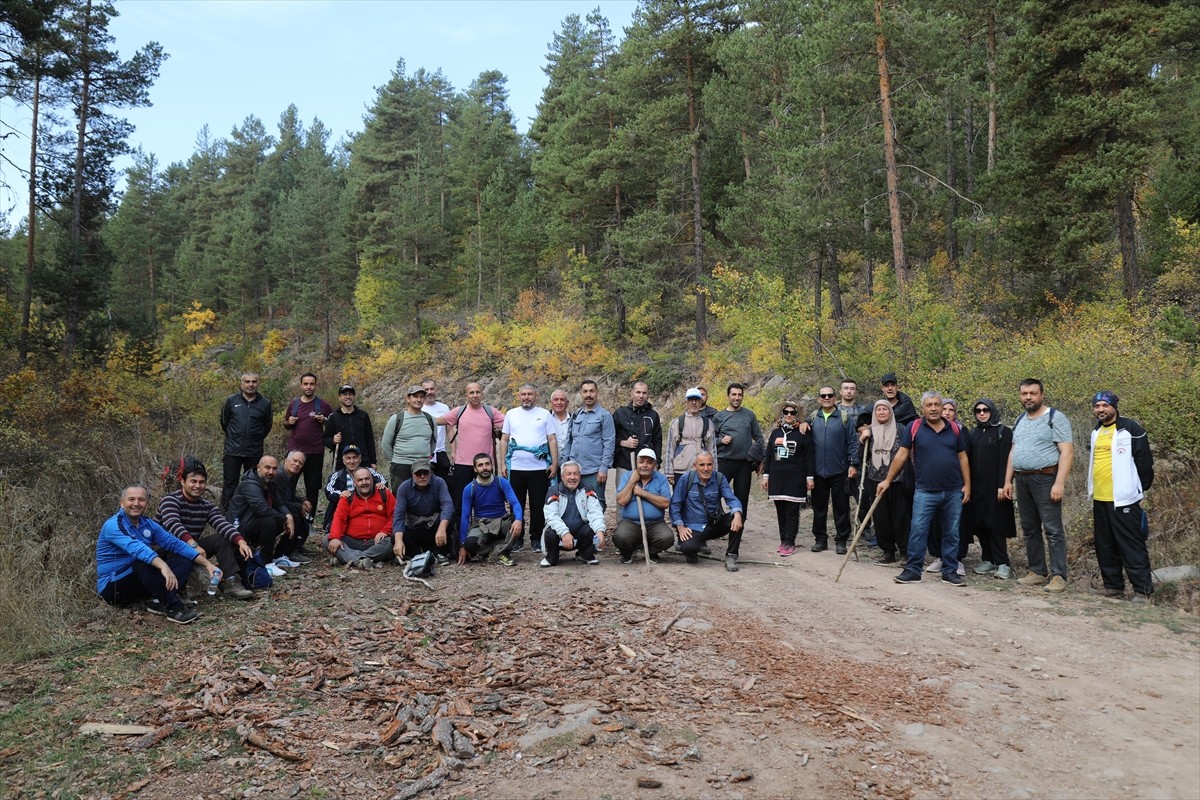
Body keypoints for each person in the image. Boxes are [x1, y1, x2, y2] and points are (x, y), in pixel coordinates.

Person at [877, 391, 971, 587]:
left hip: (953, 490)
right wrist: (887, 480)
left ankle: (950, 571)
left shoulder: (954, 429)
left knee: (951, 532)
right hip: (925, 490)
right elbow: (902, 455)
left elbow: (962, 457)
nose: (934, 408)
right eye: (930, 405)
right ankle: (913, 570)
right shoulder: (915, 427)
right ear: (923, 408)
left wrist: (967, 484)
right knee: (918, 530)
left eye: (937, 404)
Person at [97, 484, 219, 624]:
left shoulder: (147, 523)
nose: (136, 504)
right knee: (143, 562)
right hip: (113, 587)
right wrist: (164, 567)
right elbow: (138, 549)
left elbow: (174, 543)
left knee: (184, 558)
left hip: (140, 583)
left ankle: (158, 600)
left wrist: (208, 565)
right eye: (131, 499)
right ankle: (174, 608)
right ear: (122, 502)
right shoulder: (113, 525)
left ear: (147, 503)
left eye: (141, 500)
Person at [1003, 378, 1074, 593]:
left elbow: (1067, 452)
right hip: (1023, 479)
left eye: (1033, 393)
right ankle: (1037, 571)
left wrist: (1059, 482)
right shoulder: (1020, 419)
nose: (1028, 397)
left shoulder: (1055, 418)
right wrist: (1008, 480)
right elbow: (1014, 451)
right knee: (1029, 528)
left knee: (1052, 529)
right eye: (1024, 393)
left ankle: (1059, 575)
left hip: (1046, 478)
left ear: (1042, 395)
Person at [1087, 391, 1154, 602]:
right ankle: (1113, 588)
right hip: (1100, 497)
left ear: (1114, 406)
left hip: (1125, 499)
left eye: (1105, 405)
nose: (1100, 410)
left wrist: (1139, 489)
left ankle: (1142, 591)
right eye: (1097, 406)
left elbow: (1145, 461)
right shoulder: (1096, 431)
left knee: (1130, 544)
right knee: (1105, 544)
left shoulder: (1130, 428)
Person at [157, 458, 255, 600]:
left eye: (201, 482)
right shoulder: (170, 500)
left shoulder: (206, 506)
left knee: (220, 539)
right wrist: (193, 544)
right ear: (183, 482)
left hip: (191, 549)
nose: (198, 486)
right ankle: (179, 591)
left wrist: (240, 542)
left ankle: (231, 582)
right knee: (174, 545)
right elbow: (173, 525)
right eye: (193, 481)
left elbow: (222, 524)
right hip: (165, 550)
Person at [437, 383, 505, 537]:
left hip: (485, 466)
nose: (475, 395)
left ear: (482, 394)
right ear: (466, 396)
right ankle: (459, 537)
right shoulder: (459, 412)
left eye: (478, 392)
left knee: (487, 502)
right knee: (460, 503)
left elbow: (510, 422)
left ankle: (487, 535)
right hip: (463, 465)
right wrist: (419, 415)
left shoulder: (491, 412)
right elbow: (438, 421)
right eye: (471, 392)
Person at [498, 384, 558, 553]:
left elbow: (552, 440)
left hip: (539, 468)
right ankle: (516, 538)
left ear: (536, 395)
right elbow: (504, 440)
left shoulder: (544, 414)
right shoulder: (511, 414)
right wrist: (503, 464)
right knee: (516, 504)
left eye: (530, 394)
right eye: (523, 394)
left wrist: (554, 463)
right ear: (519, 396)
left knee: (538, 505)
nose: (526, 397)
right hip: (515, 468)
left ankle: (536, 539)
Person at [967, 399, 1017, 580]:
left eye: (985, 410)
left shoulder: (1003, 432)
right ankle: (988, 559)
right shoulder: (973, 433)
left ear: (992, 411)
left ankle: (1003, 563)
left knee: (996, 524)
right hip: (976, 487)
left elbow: (1006, 459)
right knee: (980, 524)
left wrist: (1003, 484)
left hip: (996, 486)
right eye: (978, 410)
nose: (982, 413)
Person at [669, 452, 745, 572]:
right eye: (702, 465)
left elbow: (731, 498)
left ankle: (731, 556)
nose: (706, 468)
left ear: (713, 465)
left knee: (738, 516)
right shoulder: (686, 479)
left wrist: (737, 514)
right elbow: (675, 504)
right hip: (694, 526)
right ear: (695, 466)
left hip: (714, 524)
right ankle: (692, 550)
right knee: (688, 547)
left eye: (709, 465)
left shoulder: (719, 478)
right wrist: (680, 527)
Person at [808, 385, 860, 554]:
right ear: (818, 399)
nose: (827, 398)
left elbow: (853, 442)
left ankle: (841, 540)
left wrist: (853, 464)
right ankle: (820, 539)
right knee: (819, 508)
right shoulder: (813, 418)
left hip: (840, 470)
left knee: (841, 507)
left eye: (830, 395)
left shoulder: (844, 417)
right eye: (823, 395)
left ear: (835, 398)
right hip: (818, 471)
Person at [859, 400, 912, 565]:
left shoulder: (901, 429)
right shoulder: (870, 432)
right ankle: (888, 551)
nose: (881, 412)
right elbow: (861, 456)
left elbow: (908, 453)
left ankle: (905, 552)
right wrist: (862, 440)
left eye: (885, 409)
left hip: (898, 480)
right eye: (878, 410)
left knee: (901, 518)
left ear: (891, 412)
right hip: (875, 480)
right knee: (882, 519)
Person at [226, 455, 295, 578]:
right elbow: (261, 508)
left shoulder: (269, 483)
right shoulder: (250, 484)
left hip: (254, 522)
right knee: (269, 521)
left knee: (293, 516)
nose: (271, 472)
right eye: (267, 468)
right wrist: (284, 519)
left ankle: (277, 556)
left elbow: (278, 503)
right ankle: (266, 563)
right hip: (240, 526)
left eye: (274, 469)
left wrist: (288, 516)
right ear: (258, 467)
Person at [760, 402, 814, 556]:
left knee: (792, 511)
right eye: (786, 412)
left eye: (792, 412)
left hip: (796, 478)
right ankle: (784, 540)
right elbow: (769, 455)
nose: (789, 415)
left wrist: (810, 477)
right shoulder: (776, 433)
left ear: (796, 415)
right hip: (777, 478)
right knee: (781, 511)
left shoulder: (804, 432)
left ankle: (790, 542)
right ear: (782, 414)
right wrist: (766, 476)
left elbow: (809, 457)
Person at [458, 453, 523, 567]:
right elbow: (465, 516)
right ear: (475, 468)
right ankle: (489, 550)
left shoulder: (501, 482)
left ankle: (503, 553)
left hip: (501, 521)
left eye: (487, 464)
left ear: (492, 466)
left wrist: (518, 519)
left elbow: (515, 503)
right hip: (481, 523)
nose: (484, 468)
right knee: (470, 543)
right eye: (480, 465)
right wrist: (462, 545)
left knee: (517, 524)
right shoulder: (469, 489)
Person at [282, 373, 333, 519]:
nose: (309, 387)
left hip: (315, 452)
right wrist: (289, 422)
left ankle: (308, 520)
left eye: (312, 384)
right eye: (306, 384)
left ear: (316, 386)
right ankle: (288, 516)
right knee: (287, 484)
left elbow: (333, 423)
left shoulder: (323, 405)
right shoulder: (294, 404)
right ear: (301, 385)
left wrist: (324, 420)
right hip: (294, 452)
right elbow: (285, 424)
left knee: (312, 489)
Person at [220, 372, 273, 511]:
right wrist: (235, 436)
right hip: (233, 450)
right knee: (230, 483)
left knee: (253, 483)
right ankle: (226, 514)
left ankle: (248, 512)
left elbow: (267, 426)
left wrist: (255, 437)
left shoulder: (265, 403)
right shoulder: (231, 401)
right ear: (241, 384)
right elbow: (224, 422)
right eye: (247, 381)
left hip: (254, 451)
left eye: (254, 381)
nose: (251, 384)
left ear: (258, 383)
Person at [926, 398, 967, 575]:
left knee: (955, 524)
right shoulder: (927, 429)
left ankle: (956, 560)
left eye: (951, 409)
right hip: (932, 484)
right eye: (945, 409)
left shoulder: (960, 431)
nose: (947, 412)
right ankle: (939, 557)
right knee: (935, 523)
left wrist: (967, 484)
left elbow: (965, 458)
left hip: (955, 485)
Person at [326, 467, 397, 569]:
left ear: (372, 480)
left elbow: (395, 515)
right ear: (354, 482)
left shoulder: (384, 494)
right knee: (328, 538)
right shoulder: (347, 498)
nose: (364, 482)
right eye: (360, 480)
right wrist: (335, 537)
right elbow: (339, 518)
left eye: (367, 479)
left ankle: (348, 557)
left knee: (393, 541)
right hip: (352, 542)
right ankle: (360, 559)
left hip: (377, 542)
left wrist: (385, 531)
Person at [613, 448, 675, 564]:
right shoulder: (628, 476)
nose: (644, 465)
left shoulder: (660, 479)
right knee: (620, 536)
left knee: (667, 537)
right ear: (636, 463)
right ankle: (629, 552)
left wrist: (643, 493)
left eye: (649, 462)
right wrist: (632, 482)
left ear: (655, 465)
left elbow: (665, 503)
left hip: (655, 523)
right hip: (631, 522)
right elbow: (621, 501)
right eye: (641, 462)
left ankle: (652, 552)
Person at [715, 382, 765, 522]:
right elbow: (709, 440)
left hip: (744, 464)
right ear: (728, 396)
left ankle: (737, 529)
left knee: (742, 498)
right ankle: (717, 523)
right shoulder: (719, 417)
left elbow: (759, 438)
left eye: (739, 395)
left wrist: (761, 460)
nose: (737, 398)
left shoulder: (749, 415)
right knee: (715, 495)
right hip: (724, 462)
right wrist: (720, 440)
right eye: (734, 394)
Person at [540, 462, 606, 567]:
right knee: (550, 531)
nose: (572, 477)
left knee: (592, 528)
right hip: (560, 536)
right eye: (568, 474)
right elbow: (551, 516)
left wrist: (600, 530)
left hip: (580, 533)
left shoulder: (588, 489)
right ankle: (551, 557)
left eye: (576, 474)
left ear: (580, 476)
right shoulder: (553, 492)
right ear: (562, 477)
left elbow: (596, 512)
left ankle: (585, 555)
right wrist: (564, 533)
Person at [562, 379, 615, 509]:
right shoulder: (576, 415)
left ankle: (596, 530)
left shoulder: (604, 415)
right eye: (585, 391)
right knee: (574, 504)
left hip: (594, 470)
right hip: (574, 469)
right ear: (581, 393)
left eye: (592, 391)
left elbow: (609, 442)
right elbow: (569, 440)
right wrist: (564, 463)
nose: (588, 394)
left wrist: (604, 468)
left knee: (596, 503)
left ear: (597, 393)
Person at [391, 458, 454, 565]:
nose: (422, 476)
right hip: (414, 525)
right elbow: (399, 515)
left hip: (433, 524)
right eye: (418, 473)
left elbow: (448, 505)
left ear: (431, 472)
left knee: (448, 519)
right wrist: (398, 540)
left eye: (425, 472)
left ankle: (439, 553)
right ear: (412, 474)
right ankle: (415, 555)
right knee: (395, 536)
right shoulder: (404, 488)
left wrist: (442, 528)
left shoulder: (439, 483)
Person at [380, 385, 437, 488]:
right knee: (400, 500)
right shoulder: (397, 419)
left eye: (421, 397)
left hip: (423, 466)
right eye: (415, 396)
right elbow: (385, 445)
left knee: (424, 500)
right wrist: (396, 460)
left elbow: (433, 442)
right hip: (401, 467)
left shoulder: (430, 419)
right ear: (408, 398)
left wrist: (424, 457)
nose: (418, 400)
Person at [322, 444, 387, 529]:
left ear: (360, 459)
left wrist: (380, 485)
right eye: (348, 458)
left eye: (355, 457)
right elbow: (329, 490)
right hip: (344, 511)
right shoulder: (337, 475)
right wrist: (340, 494)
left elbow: (382, 480)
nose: (352, 461)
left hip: (368, 509)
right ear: (343, 460)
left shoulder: (369, 471)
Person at [612, 381, 662, 488]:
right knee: (623, 498)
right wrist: (623, 442)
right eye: (638, 392)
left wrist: (657, 461)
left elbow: (657, 440)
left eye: (644, 393)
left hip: (647, 465)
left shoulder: (653, 415)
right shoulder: (620, 413)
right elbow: (609, 437)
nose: (641, 396)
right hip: (625, 464)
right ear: (632, 394)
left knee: (647, 498)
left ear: (648, 395)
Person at [666, 388, 718, 481]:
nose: (694, 403)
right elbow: (670, 448)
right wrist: (669, 473)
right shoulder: (677, 422)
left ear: (700, 402)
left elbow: (712, 449)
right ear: (686, 402)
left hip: (701, 471)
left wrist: (714, 472)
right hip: (680, 471)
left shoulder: (708, 423)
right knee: (680, 496)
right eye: (691, 400)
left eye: (696, 399)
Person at [272, 450, 313, 565]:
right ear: (286, 461)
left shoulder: (290, 476)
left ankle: (296, 546)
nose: (297, 464)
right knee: (295, 516)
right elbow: (278, 501)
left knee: (303, 513)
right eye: (295, 461)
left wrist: (303, 500)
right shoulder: (279, 475)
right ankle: (282, 553)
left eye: (300, 463)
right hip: (271, 510)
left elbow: (290, 497)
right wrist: (298, 506)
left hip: (281, 507)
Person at [324, 384, 377, 468]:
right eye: (344, 394)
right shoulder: (333, 417)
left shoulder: (363, 415)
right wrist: (333, 441)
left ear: (354, 396)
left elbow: (370, 439)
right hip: (342, 463)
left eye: (350, 394)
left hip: (363, 461)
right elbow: (325, 439)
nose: (348, 397)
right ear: (339, 397)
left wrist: (373, 461)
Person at [421, 379, 452, 482]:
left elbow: (449, 430)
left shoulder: (444, 408)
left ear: (436, 390)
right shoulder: (418, 409)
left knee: (445, 482)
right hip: (423, 453)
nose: (429, 392)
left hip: (440, 451)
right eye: (426, 389)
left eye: (432, 389)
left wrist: (454, 451)